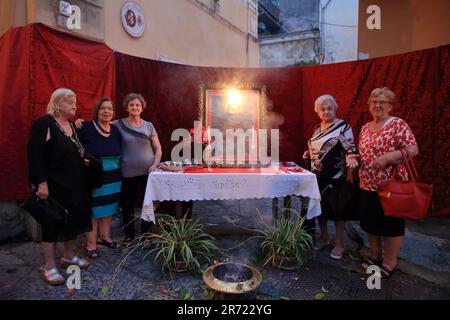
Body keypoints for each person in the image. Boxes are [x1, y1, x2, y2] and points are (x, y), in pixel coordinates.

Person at [28, 88, 91, 286]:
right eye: (70, 102)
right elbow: (34, 155)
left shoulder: (71, 124)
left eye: (75, 101)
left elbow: (76, 149)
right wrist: (41, 182)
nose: (75, 105)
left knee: (72, 221)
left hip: (74, 183)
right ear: (57, 104)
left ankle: (68, 257)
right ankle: (49, 266)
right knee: (51, 223)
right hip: (53, 184)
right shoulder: (44, 123)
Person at [358, 87, 418, 278]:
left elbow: (413, 149)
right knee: (370, 222)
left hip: (391, 186)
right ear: (369, 105)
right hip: (367, 184)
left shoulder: (397, 124)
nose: (377, 105)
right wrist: (354, 159)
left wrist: (388, 157)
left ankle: (390, 261)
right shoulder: (365, 127)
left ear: (390, 106)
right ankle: (375, 255)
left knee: (391, 224)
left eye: (382, 102)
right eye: (374, 101)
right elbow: (363, 153)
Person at [303, 94, 358, 260]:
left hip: (337, 176)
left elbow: (350, 149)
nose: (326, 112)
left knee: (339, 209)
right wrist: (308, 153)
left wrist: (350, 162)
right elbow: (318, 149)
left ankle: (339, 242)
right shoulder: (317, 129)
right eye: (323, 109)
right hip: (318, 176)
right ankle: (324, 237)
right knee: (322, 208)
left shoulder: (343, 126)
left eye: (330, 108)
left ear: (335, 109)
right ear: (318, 112)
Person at [115, 93, 162, 242]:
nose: (135, 107)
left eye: (137, 105)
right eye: (131, 105)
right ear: (127, 107)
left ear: (142, 108)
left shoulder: (149, 126)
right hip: (127, 172)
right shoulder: (117, 124)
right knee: (127, 205)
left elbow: (158, 149)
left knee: (147, 203)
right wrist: (79, 122)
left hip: (148, 172)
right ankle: (129, 234)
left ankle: (146, 235)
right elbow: (100, 127)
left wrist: (155, 165)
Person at [79, 98, 122, 258]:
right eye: (103, 108)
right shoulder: (86, 126)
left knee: (109, 207)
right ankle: (91, 244)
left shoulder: (115, 130)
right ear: (97, 110)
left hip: (114, 175)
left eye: (110, 109)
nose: (107, 111)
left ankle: (105, 237)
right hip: (95, 175)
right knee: (94, 209)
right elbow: (76, 145)